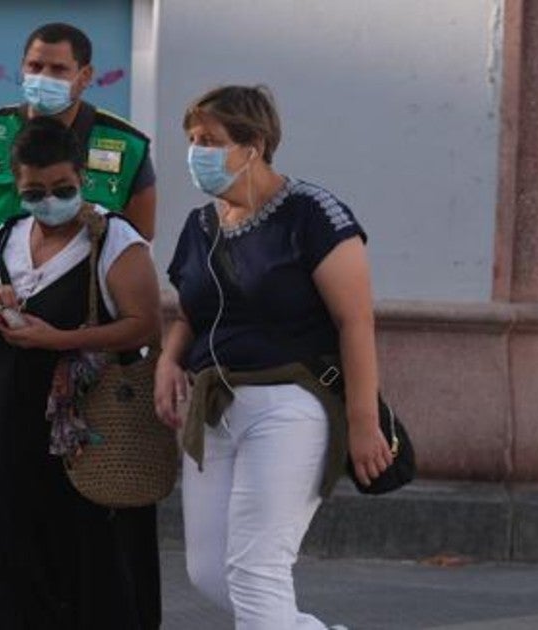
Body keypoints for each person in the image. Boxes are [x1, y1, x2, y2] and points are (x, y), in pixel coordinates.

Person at [154, 85, 393, 629]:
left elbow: (355, 321)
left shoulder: (312, 213)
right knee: (210, 573)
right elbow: (190, 312)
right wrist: (169, 359)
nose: (196, 151)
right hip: (215, 408)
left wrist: (363, 422)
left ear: (254, 144)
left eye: (210, 140)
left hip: (290, 404)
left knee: (256, 572)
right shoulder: (201, 226)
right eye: (192, 139)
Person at [0, 117, 162, 628]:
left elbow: (143, 325)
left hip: (85, 436)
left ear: (82, 177)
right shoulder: (6, 238)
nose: (48, 200)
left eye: (62, 189)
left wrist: (57, 340)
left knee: (86, 570)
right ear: (17, 187)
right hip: (11, 424)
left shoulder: (113, 239)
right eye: (33, 191)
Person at [0, 19, 156, 527]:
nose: (45, 76)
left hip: (78, 340)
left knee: (66, 468)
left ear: (85, 76)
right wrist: (7, 267)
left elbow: (139, 230)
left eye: (59, 68)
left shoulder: (123, 145)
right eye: (35, 66)